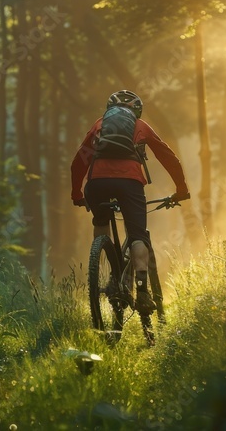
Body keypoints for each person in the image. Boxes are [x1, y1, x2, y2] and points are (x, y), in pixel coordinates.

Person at [70, 90, 190, 315]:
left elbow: (79, 161)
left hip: (97, 184)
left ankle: (106, 265)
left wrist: (77, 194)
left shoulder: (99, 125)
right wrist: (181, 189)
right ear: (137, 111)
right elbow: (167, 156)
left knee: (101, 221)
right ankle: (142, 291)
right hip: (129, 183)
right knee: (137, 235)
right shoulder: (141, 126)